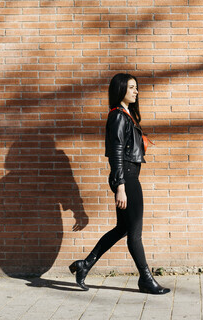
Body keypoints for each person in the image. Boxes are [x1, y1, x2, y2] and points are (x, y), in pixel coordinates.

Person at [69, 73, 170, 294]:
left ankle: (85, 265)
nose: (136, 91)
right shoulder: (117, 116)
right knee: (134, 233)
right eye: (132, 87)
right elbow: (115, 154)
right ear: (121, 89)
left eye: (136, 88)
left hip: (129, 177)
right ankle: (145, 279)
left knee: (123, 228)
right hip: (127, 179)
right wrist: (121, 186)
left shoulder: (127, 115)